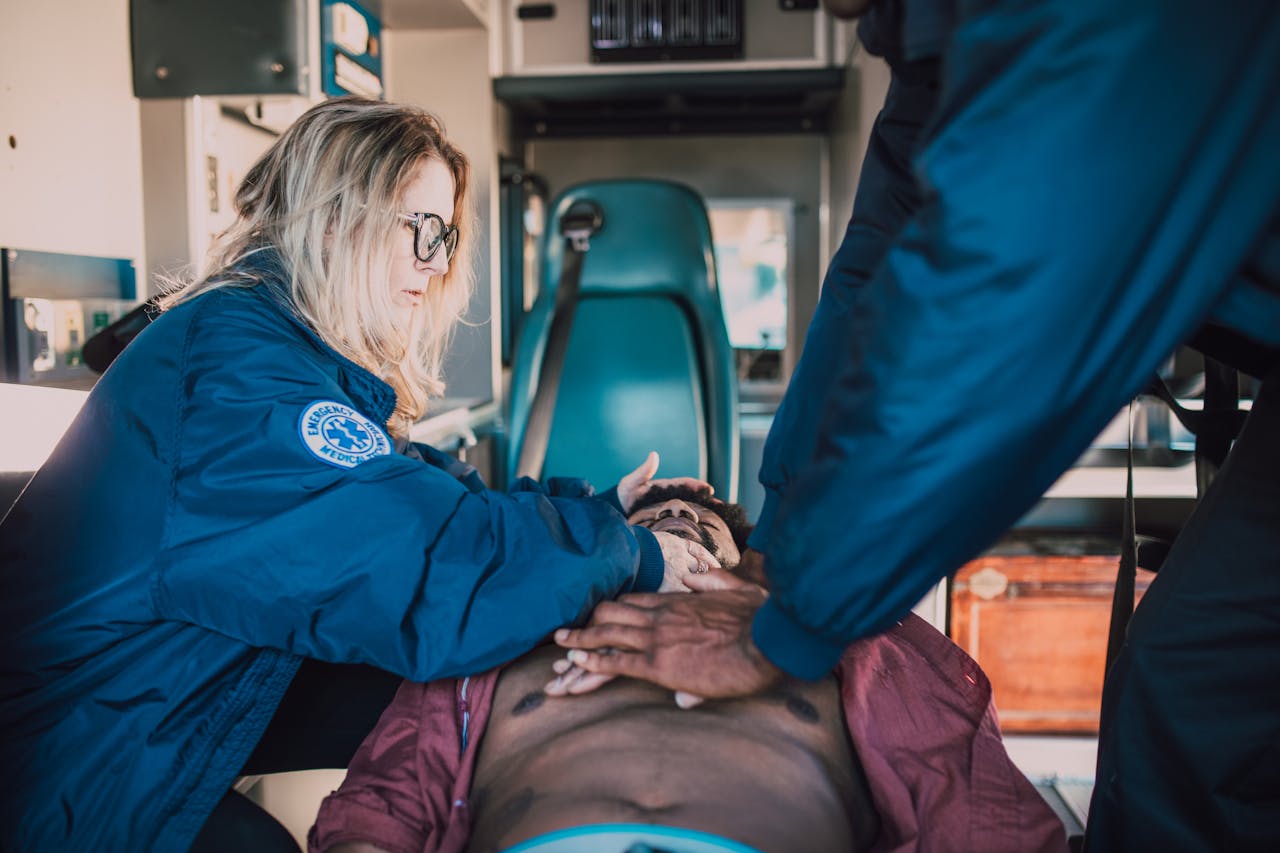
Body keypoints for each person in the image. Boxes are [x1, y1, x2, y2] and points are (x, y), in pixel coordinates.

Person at [554, 2, 1280, 849]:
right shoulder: (941, 51)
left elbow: (993, 313)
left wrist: (796, 623)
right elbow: (873, 277)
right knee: (1196, 679)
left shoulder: (1078, 22)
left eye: (697, 515)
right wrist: (780, 545)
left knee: (1198, 686)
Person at [0, 97, 723, 851]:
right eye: (425, 231)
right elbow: (420, 554)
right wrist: (630, 554)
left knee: (451, 680)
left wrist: (597, 508)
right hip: (68, 760)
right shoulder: (240, 374)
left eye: (445, 237)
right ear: (339, 217)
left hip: (142, 692)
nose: (438, 263)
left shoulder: (276, 345)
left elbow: (417, 492)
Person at [308, 485, 1066, 853]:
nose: (680, 521)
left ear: (749, 565)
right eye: (654, 524)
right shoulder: (504, 632)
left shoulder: (846, 641)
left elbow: (973, 806)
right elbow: (386, 800)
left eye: (704, 526)